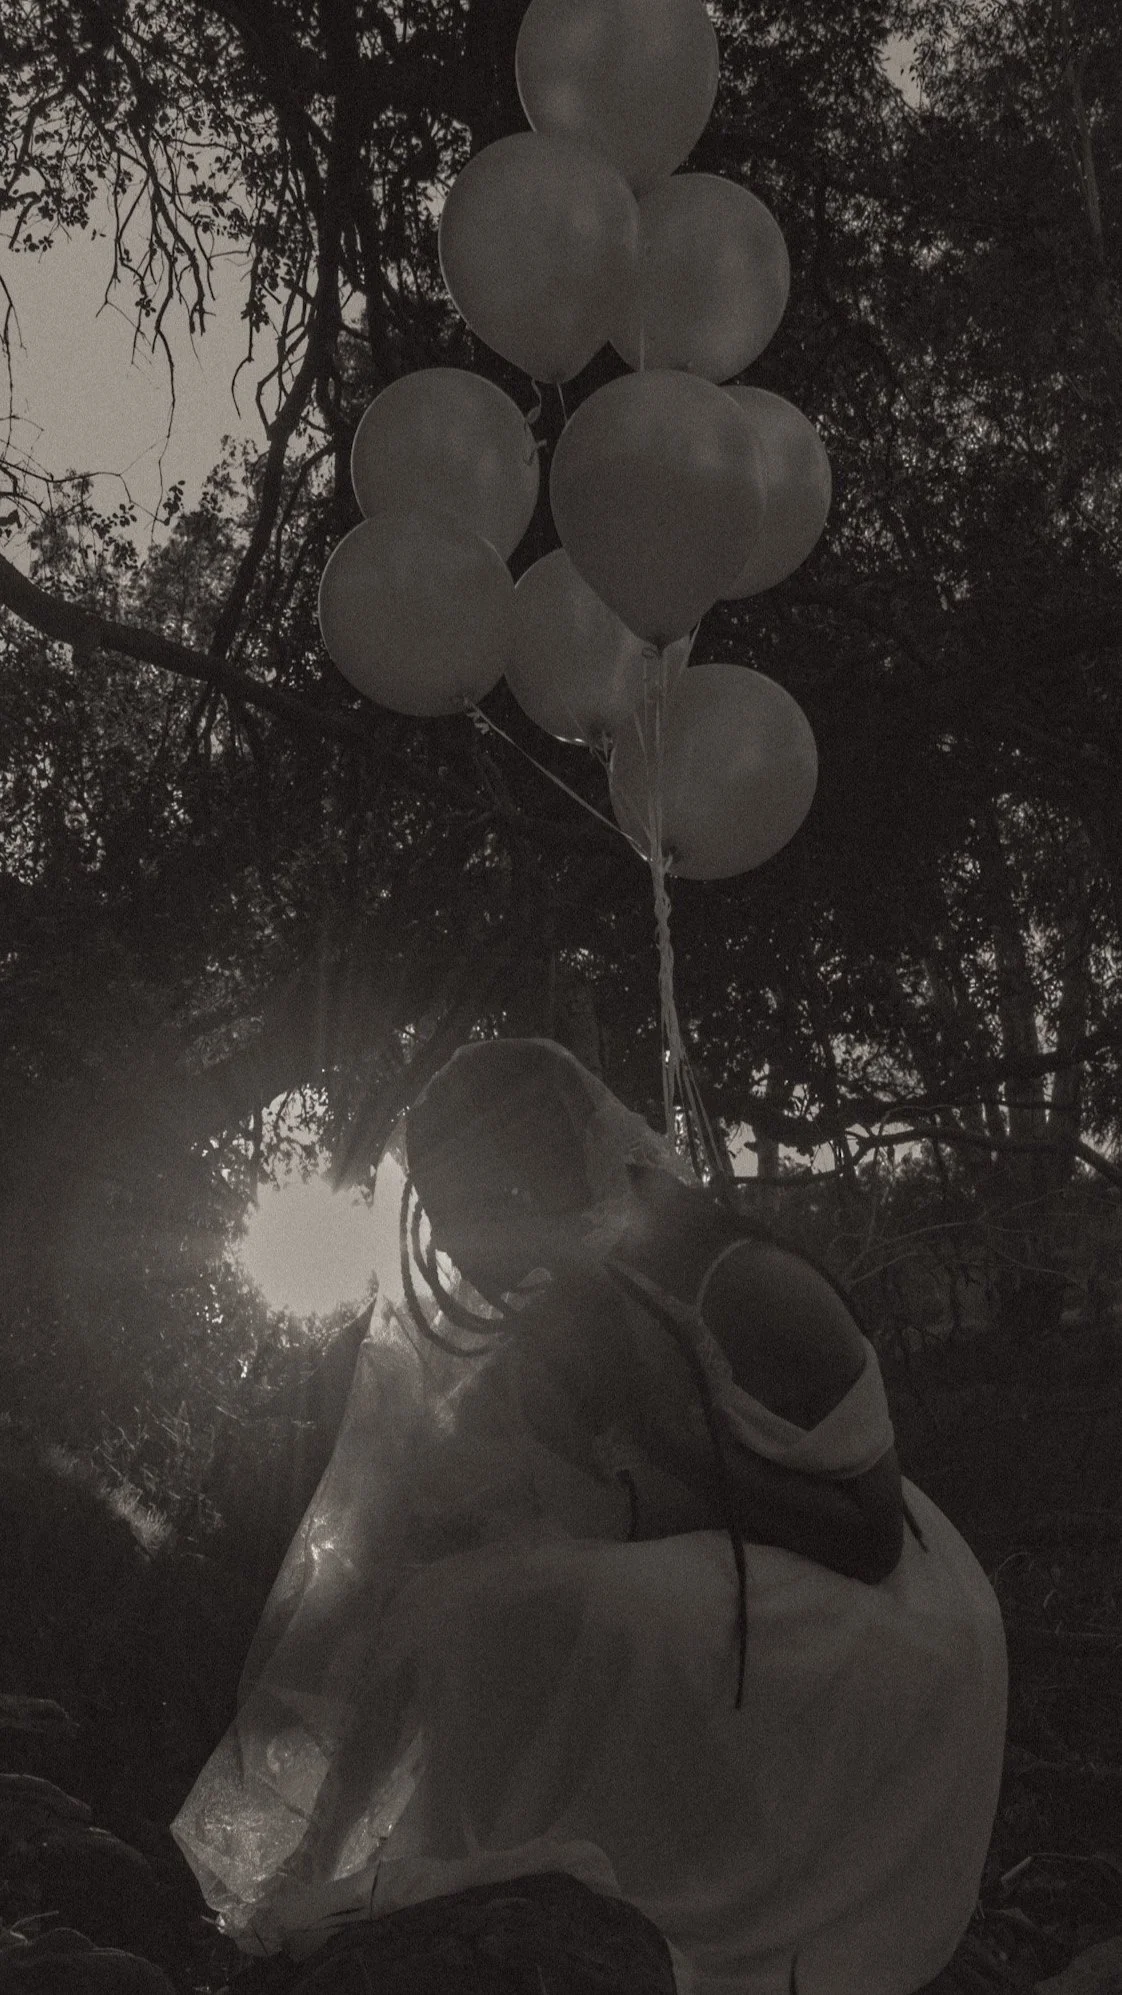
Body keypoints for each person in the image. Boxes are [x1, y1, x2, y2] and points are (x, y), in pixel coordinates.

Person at [172, 1038, 1007, 1995]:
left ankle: (685, 1915)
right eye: (441, 1219)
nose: (453, 1248)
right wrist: (314, 1844)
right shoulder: (557, 1316)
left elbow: (867, 1538)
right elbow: (427, 1546)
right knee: (464, 1599)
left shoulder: (748, 1288)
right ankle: (471, 1907)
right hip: (715, 1581)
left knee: (560, 1601)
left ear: (534, 1181)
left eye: (472, 1210)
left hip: (889, 1626)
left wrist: (672, 1438)